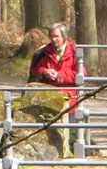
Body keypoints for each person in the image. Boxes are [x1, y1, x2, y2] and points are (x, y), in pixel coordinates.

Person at [28, 23, 79, 157]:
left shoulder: (75, 52)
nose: (54, 39)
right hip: (48, 97)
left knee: (71, 130)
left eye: (56, 36)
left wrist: (59, 76)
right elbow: (34, 70)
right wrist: (44, 72)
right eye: (51, 36)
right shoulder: (43, 52)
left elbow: (80, 74)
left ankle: (70, 153)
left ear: (64, 37)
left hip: (68, 98)